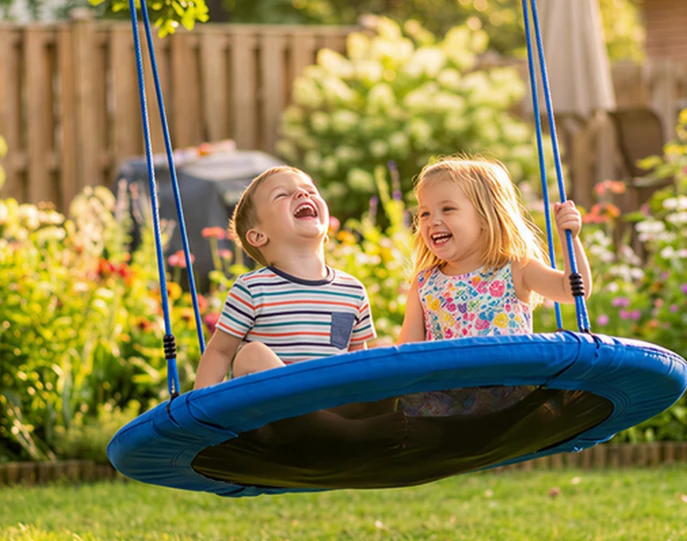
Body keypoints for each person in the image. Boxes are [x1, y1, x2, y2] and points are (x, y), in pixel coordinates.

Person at [194, 165, 406, 448]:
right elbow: (220, 352)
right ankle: (346, 433)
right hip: (275, 423)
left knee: (380, 357)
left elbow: (357, 363)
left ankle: (350, 430)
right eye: (282, 195)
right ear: (258, 236)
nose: (301, 194)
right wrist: (199, 418)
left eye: (309, 190)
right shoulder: (253, 289)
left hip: (334, 405)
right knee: (250, 355)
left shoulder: (351, 290)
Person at [398, 155, 592, 418]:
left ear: (484, 217)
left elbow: (571, 291)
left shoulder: (516, 268)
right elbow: (406, 354)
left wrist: (570, 238)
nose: (432, 221)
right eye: (424, 213)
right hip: (448, 401)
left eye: (447, 209)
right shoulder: (425, 284)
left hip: (508, 396)